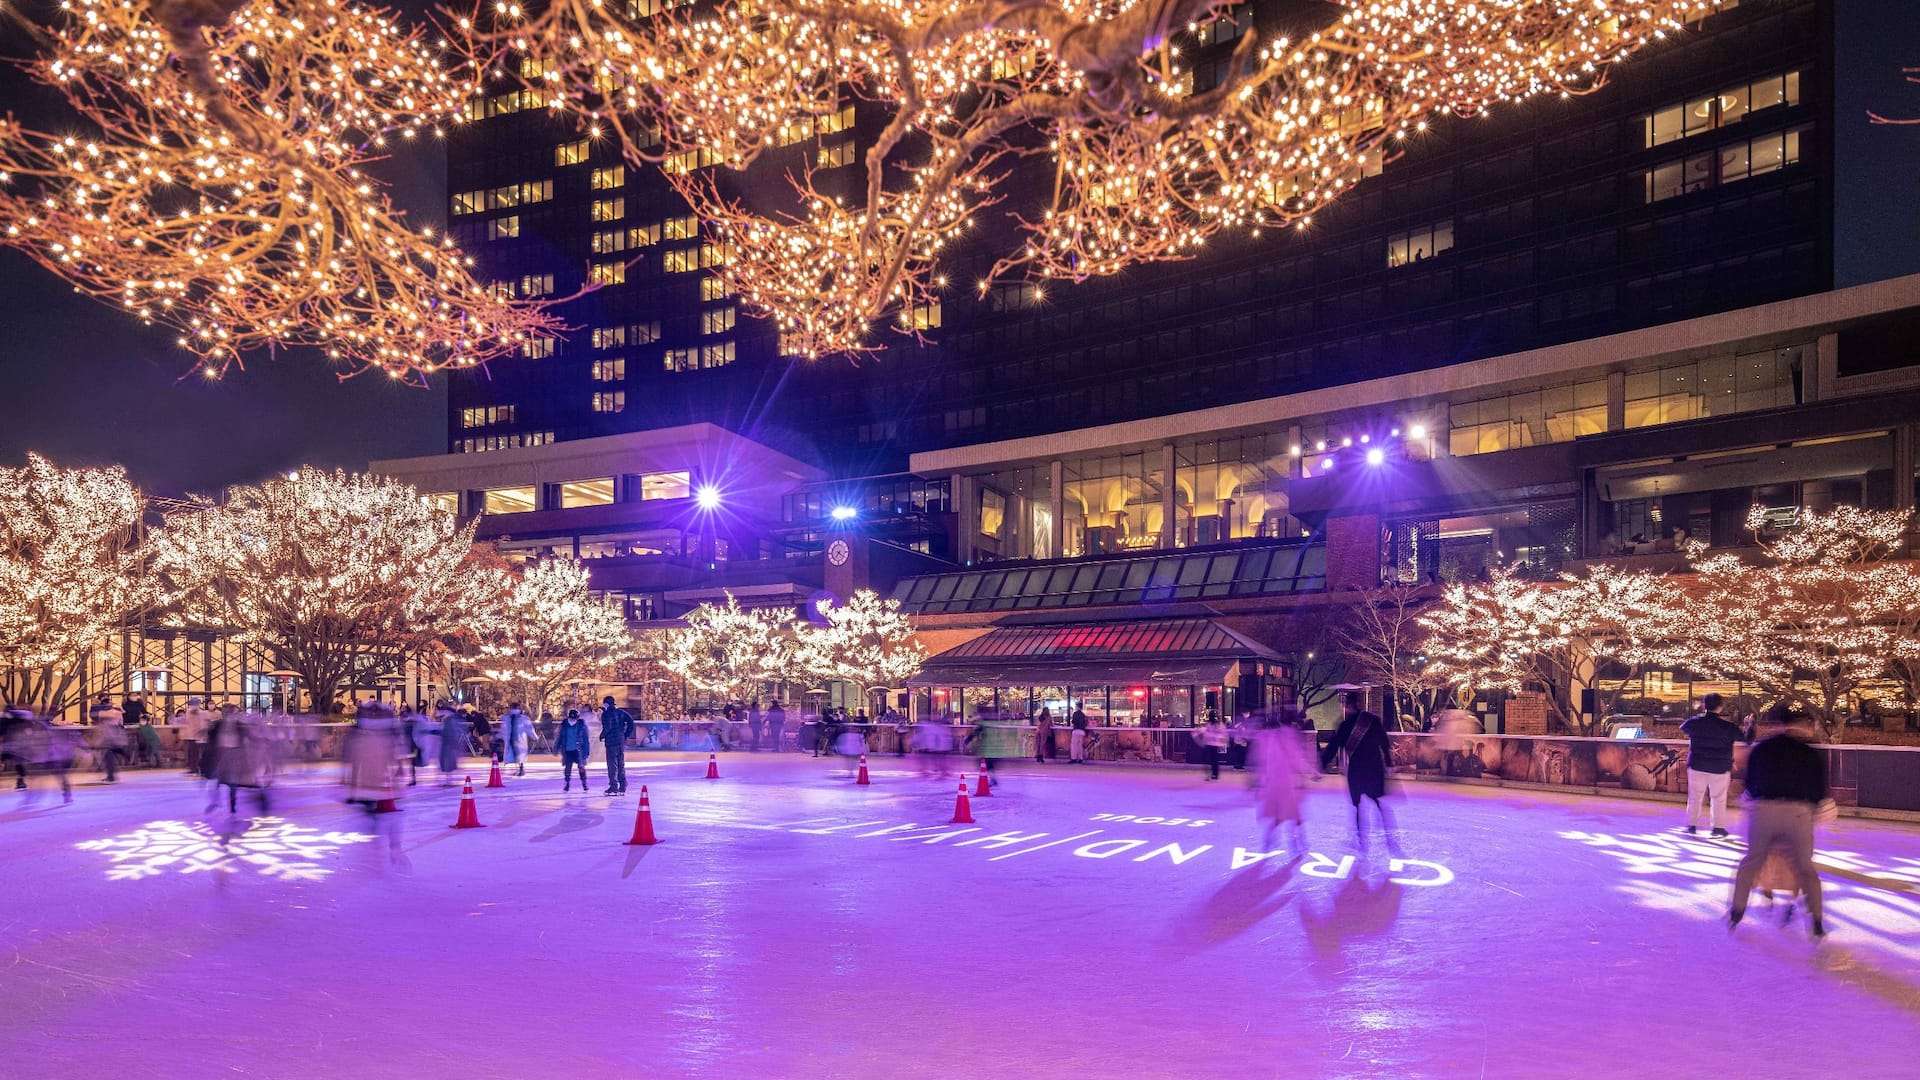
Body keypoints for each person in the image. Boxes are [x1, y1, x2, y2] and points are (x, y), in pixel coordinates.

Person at [1729, 707, 1829, 939]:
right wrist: (1810, 810)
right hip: (1799, 812)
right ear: (1800, 725)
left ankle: (1737, 910)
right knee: (1805, 867)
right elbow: (1819, 788)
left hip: (1765, 810)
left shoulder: (1761, 749)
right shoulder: (1809, 752)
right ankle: (1816, 920)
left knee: (1752, 861)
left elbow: (1750, 784)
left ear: (1774, 724)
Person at [1320, 691, 1395, 848]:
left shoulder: (1345, 725)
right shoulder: (1373, 720)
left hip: (1357, 772)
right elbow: (1384, 742)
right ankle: (1389, 837)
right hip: (1374, 769)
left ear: (1348, 705)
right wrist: (1388, 763)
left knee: (1358, 806)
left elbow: (1333, 746)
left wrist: (1321, 764)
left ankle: (1362, 840)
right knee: (1378, 803)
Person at [1681, 693, 1744, 838]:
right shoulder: (1728, 727)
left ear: (1704, 705)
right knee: (1719, 798)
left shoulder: (1694, 723)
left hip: (1697, 764)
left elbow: (1684, 728)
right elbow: (1745, 738)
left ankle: (1691, 825)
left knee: (1695, 796)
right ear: (1720, 707)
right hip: (1720, 767)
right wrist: (1749, 726)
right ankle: (1718, 827)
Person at [1253, 709, 1312, 851]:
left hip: (1274, 780)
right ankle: (1297, 844)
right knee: (1292, 814)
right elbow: (1296, 758)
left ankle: (1274, 839)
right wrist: (1312, 772)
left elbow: (1266, 759)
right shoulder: (1289, 736)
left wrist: (1262, 779)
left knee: (1282, 814)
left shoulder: (1272, 736)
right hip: (1287, 781)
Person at [599, 695, 634, 796]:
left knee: (612, 765)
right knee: (620, 763)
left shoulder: (606, 714)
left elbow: (608, 727)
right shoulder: (621, 712)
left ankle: (613, 786)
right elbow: (631, 722)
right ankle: (622, 786)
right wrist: (626, 735)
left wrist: (602, 736)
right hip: (620, 741)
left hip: (611, 742)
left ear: (606, 704)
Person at [89, 693, 126, 781]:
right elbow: (121, 723)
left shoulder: (109, 713)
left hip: (109, 738)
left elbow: (94, 715)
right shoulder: (117, 712)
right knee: (110, 756)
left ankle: (111, 776)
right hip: (114, 737)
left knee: (108, 756)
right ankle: (111, 774)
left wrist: (95, 705)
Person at [556, 708, 593, 792]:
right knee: (568, 768)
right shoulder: (564, 725)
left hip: (579, 750)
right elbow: (560, 737)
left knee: (581, 767)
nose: (573, 720)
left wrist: (587, 751)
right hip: (568, 750)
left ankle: (584, 783)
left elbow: (585, 739)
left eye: (574, 718)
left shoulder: (581, 725)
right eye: (571, 718)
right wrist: (556, 747)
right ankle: (567, 783)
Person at [179, 696, 212, 776]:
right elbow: (184, 721)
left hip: (201, 738)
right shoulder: (188, 713)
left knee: (200, 755)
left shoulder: (203, 714)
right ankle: (193, 769)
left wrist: (203, 732)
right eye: (191, 704)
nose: (193, 706)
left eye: (195, 704)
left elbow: (206, 725)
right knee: (192, 754)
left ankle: (202, 770)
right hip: (191, 737)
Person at [500, 702, 534, 776]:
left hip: (510, 739)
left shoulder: (506, 718)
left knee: (513, 754)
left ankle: (517, 769)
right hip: (520, 740)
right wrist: (534, 736)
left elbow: (503, 729)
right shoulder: (524, 719)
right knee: (520, 755)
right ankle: (521, 768)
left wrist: (501, 736)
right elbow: (529, 729)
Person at [435, 702, 464, 783]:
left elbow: (446, 731)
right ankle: (448, 776)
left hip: (448, 742)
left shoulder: (448, 720)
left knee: (447, 759)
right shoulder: (449, 719)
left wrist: (433, 731)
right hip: (448, 742)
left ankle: (448, 777)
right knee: (447, 759)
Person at [1197, 713, 1229, 781]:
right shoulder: (1209, 724)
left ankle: (1214, 774)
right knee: (1210, 760)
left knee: (1213, 760)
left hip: (1214, 744)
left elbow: (1223, 733)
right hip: (1209, 744)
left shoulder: (1219, 725)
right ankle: (1211, 774)